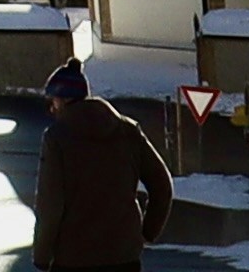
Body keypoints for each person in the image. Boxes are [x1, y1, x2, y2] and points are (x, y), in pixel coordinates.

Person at [29, 61, 173, 272]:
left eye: (54, 102)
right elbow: (162, 185)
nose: (52, 109)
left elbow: (50, 206)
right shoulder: (128, 131)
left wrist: (42, 255)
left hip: (74, 258)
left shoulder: (57, 138)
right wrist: (146, 232)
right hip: (124, 257)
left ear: (64, 99)